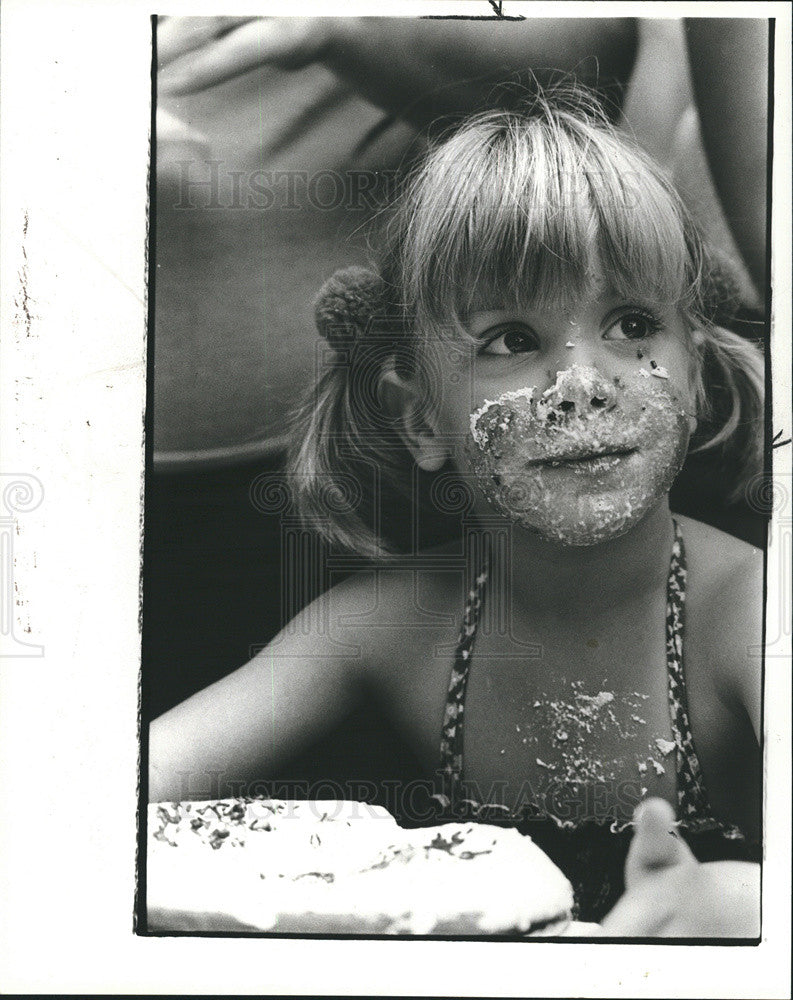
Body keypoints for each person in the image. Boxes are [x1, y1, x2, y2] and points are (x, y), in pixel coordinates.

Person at [148, 94, 764, 936]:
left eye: (631, 324)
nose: (581, 382)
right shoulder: (387, 626)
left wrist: (735, 904)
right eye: (511, 339)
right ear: (420, 417)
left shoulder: (755, 618)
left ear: (691, 372)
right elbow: (94, 796)